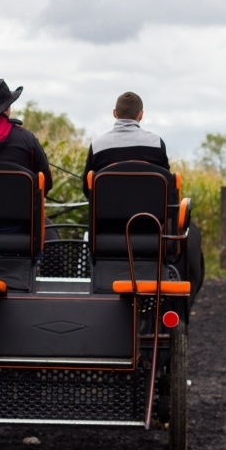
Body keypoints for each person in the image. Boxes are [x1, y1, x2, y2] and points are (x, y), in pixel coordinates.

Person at [82, 91, 204, 306]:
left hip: (107, 237)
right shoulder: (156, 143)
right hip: (152, 235)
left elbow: (87, 191)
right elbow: (167, 190)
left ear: (114, 114)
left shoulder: (98, 145)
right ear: (140, 115)